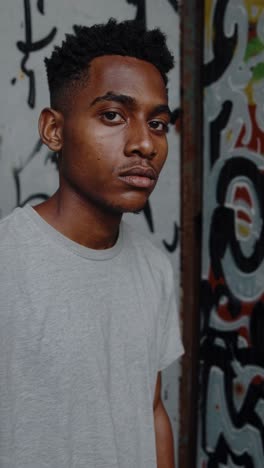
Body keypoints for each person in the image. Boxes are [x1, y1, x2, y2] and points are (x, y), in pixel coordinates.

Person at [0, 18, 183, 468]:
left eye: (158, 123)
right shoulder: (7, 261)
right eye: (113, 116)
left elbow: (152, 410)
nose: (144, 143)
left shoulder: (154, 267)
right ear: (54, 130)